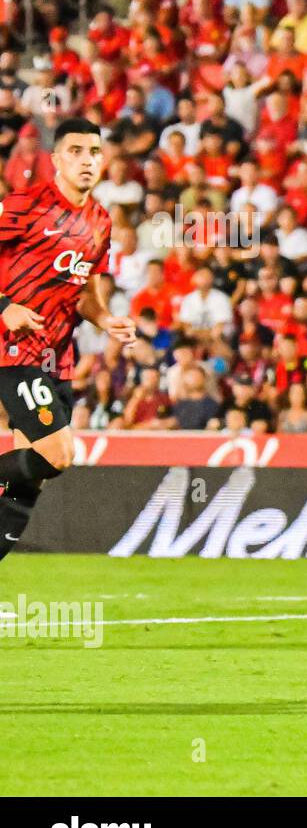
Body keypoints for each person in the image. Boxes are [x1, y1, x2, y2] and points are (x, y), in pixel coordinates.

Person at [0, 117, 135, 560]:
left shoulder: (99, 221)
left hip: (55, 358)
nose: (87, 160)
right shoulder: (25, 205)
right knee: (59, 453)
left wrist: (107, 320)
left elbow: (85, 295)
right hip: (13, 348)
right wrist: (6, 307)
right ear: (56, 159)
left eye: (94, 152)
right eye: (75, 151)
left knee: (23, 486)